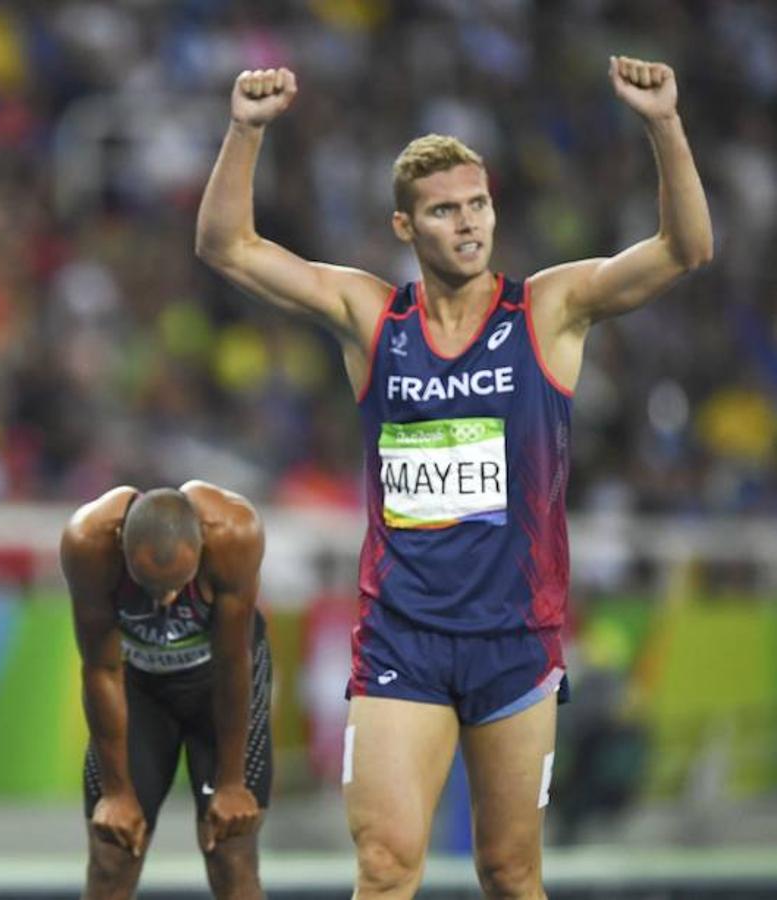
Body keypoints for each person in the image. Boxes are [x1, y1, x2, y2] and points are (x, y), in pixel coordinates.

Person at [195, 57, 711, 899]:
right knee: (386, 865)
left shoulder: (547, 310)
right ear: (406, 227)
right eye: (443, 211)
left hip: (516, 641)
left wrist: (662, 123)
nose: (467, 225)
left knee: (508, 871)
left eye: (477, 205)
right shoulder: (371, 318)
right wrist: (246, 131)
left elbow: (685, 250)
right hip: (401, 639)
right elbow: (225, 247)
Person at [61, 481, 271, 900]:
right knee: (112, 855)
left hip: (219, 683)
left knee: (231, 853)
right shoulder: (87, 542)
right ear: (122, 547)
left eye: (177, 585)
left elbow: (233, 665)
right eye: (149, 586)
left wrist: (230, 783)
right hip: (137, 686)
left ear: (201, 548)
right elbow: (101, 668)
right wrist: (118, 792)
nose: (164, 600)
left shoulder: (234, 534)